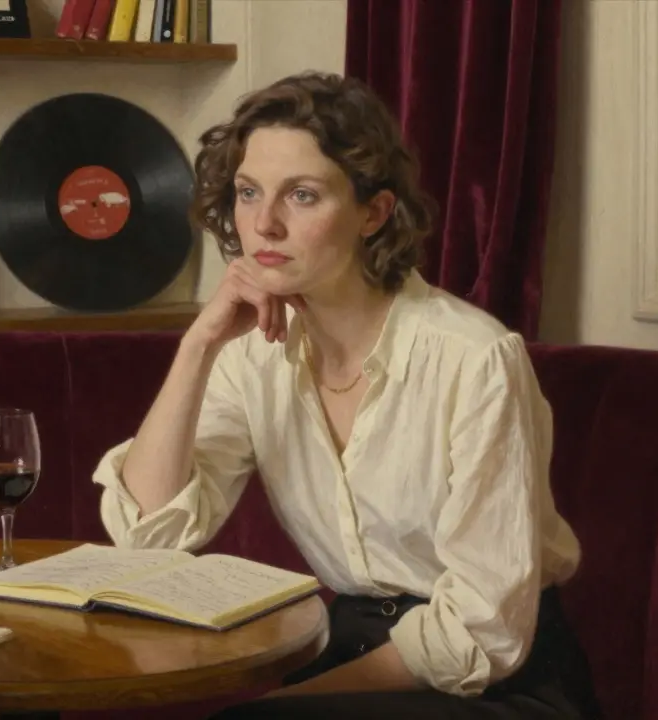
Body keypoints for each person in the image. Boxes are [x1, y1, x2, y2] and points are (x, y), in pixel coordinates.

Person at [92, 71, 603, 719]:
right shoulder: (251, 353)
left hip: (499, 683)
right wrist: (200, 345)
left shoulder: (475, 358)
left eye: (302, 195)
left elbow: (485, 631)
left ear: (374, 213)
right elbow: (148, 535)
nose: (265, 224)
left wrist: (286, 701)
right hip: (354, 649)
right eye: (249, 193)